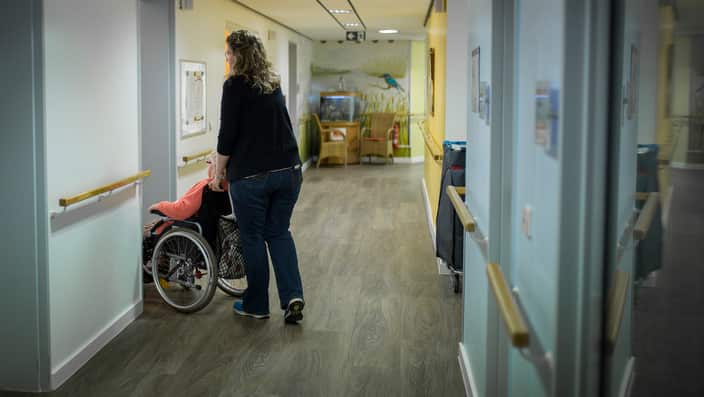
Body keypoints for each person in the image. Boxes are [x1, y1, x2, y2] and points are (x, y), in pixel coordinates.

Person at [209, 30, 304, 324]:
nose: (226, 58)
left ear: (238, 55)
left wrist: (218, 171)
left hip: (252, 178)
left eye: (228, 53)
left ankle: (257, 304)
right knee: (278, 233)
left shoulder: (235, 85)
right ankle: (292, 297)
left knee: (252, 238)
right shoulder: (272, 84)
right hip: (288, 172)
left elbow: (228, 136)